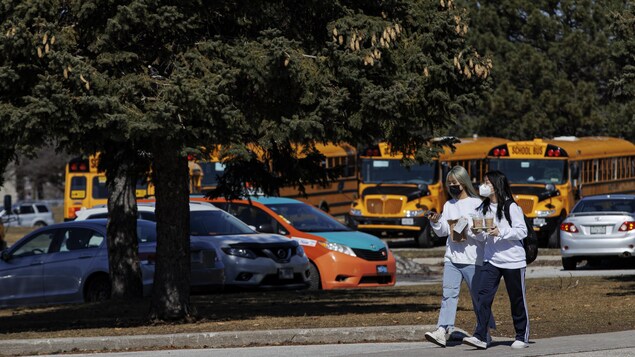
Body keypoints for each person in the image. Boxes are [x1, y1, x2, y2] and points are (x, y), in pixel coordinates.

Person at [424, 166, 494, 348]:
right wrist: (436, 221)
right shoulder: (448, 205)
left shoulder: (477, 203)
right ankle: (442, 329)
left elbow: (483, 235)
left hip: (473, 259)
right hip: (452, 258)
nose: (453, 186)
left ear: (464, 183)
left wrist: (468, 227)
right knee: (448, 295)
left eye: (455, 183)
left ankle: (484, 332)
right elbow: (443, 232)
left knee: (478, 298)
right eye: (450, 184)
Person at [462, 170, 530, 350]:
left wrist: (501, 232)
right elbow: (482, 237)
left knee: (516, 298)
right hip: (491, 259)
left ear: (497, 185)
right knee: (483, 296)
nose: (483, 186)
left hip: (513, 261)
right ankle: (481, 336)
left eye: (488, 182)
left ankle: (521, 335)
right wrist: (476, 233)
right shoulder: (482, 208)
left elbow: (522, 231)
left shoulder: (511, 207)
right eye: (484, 182)